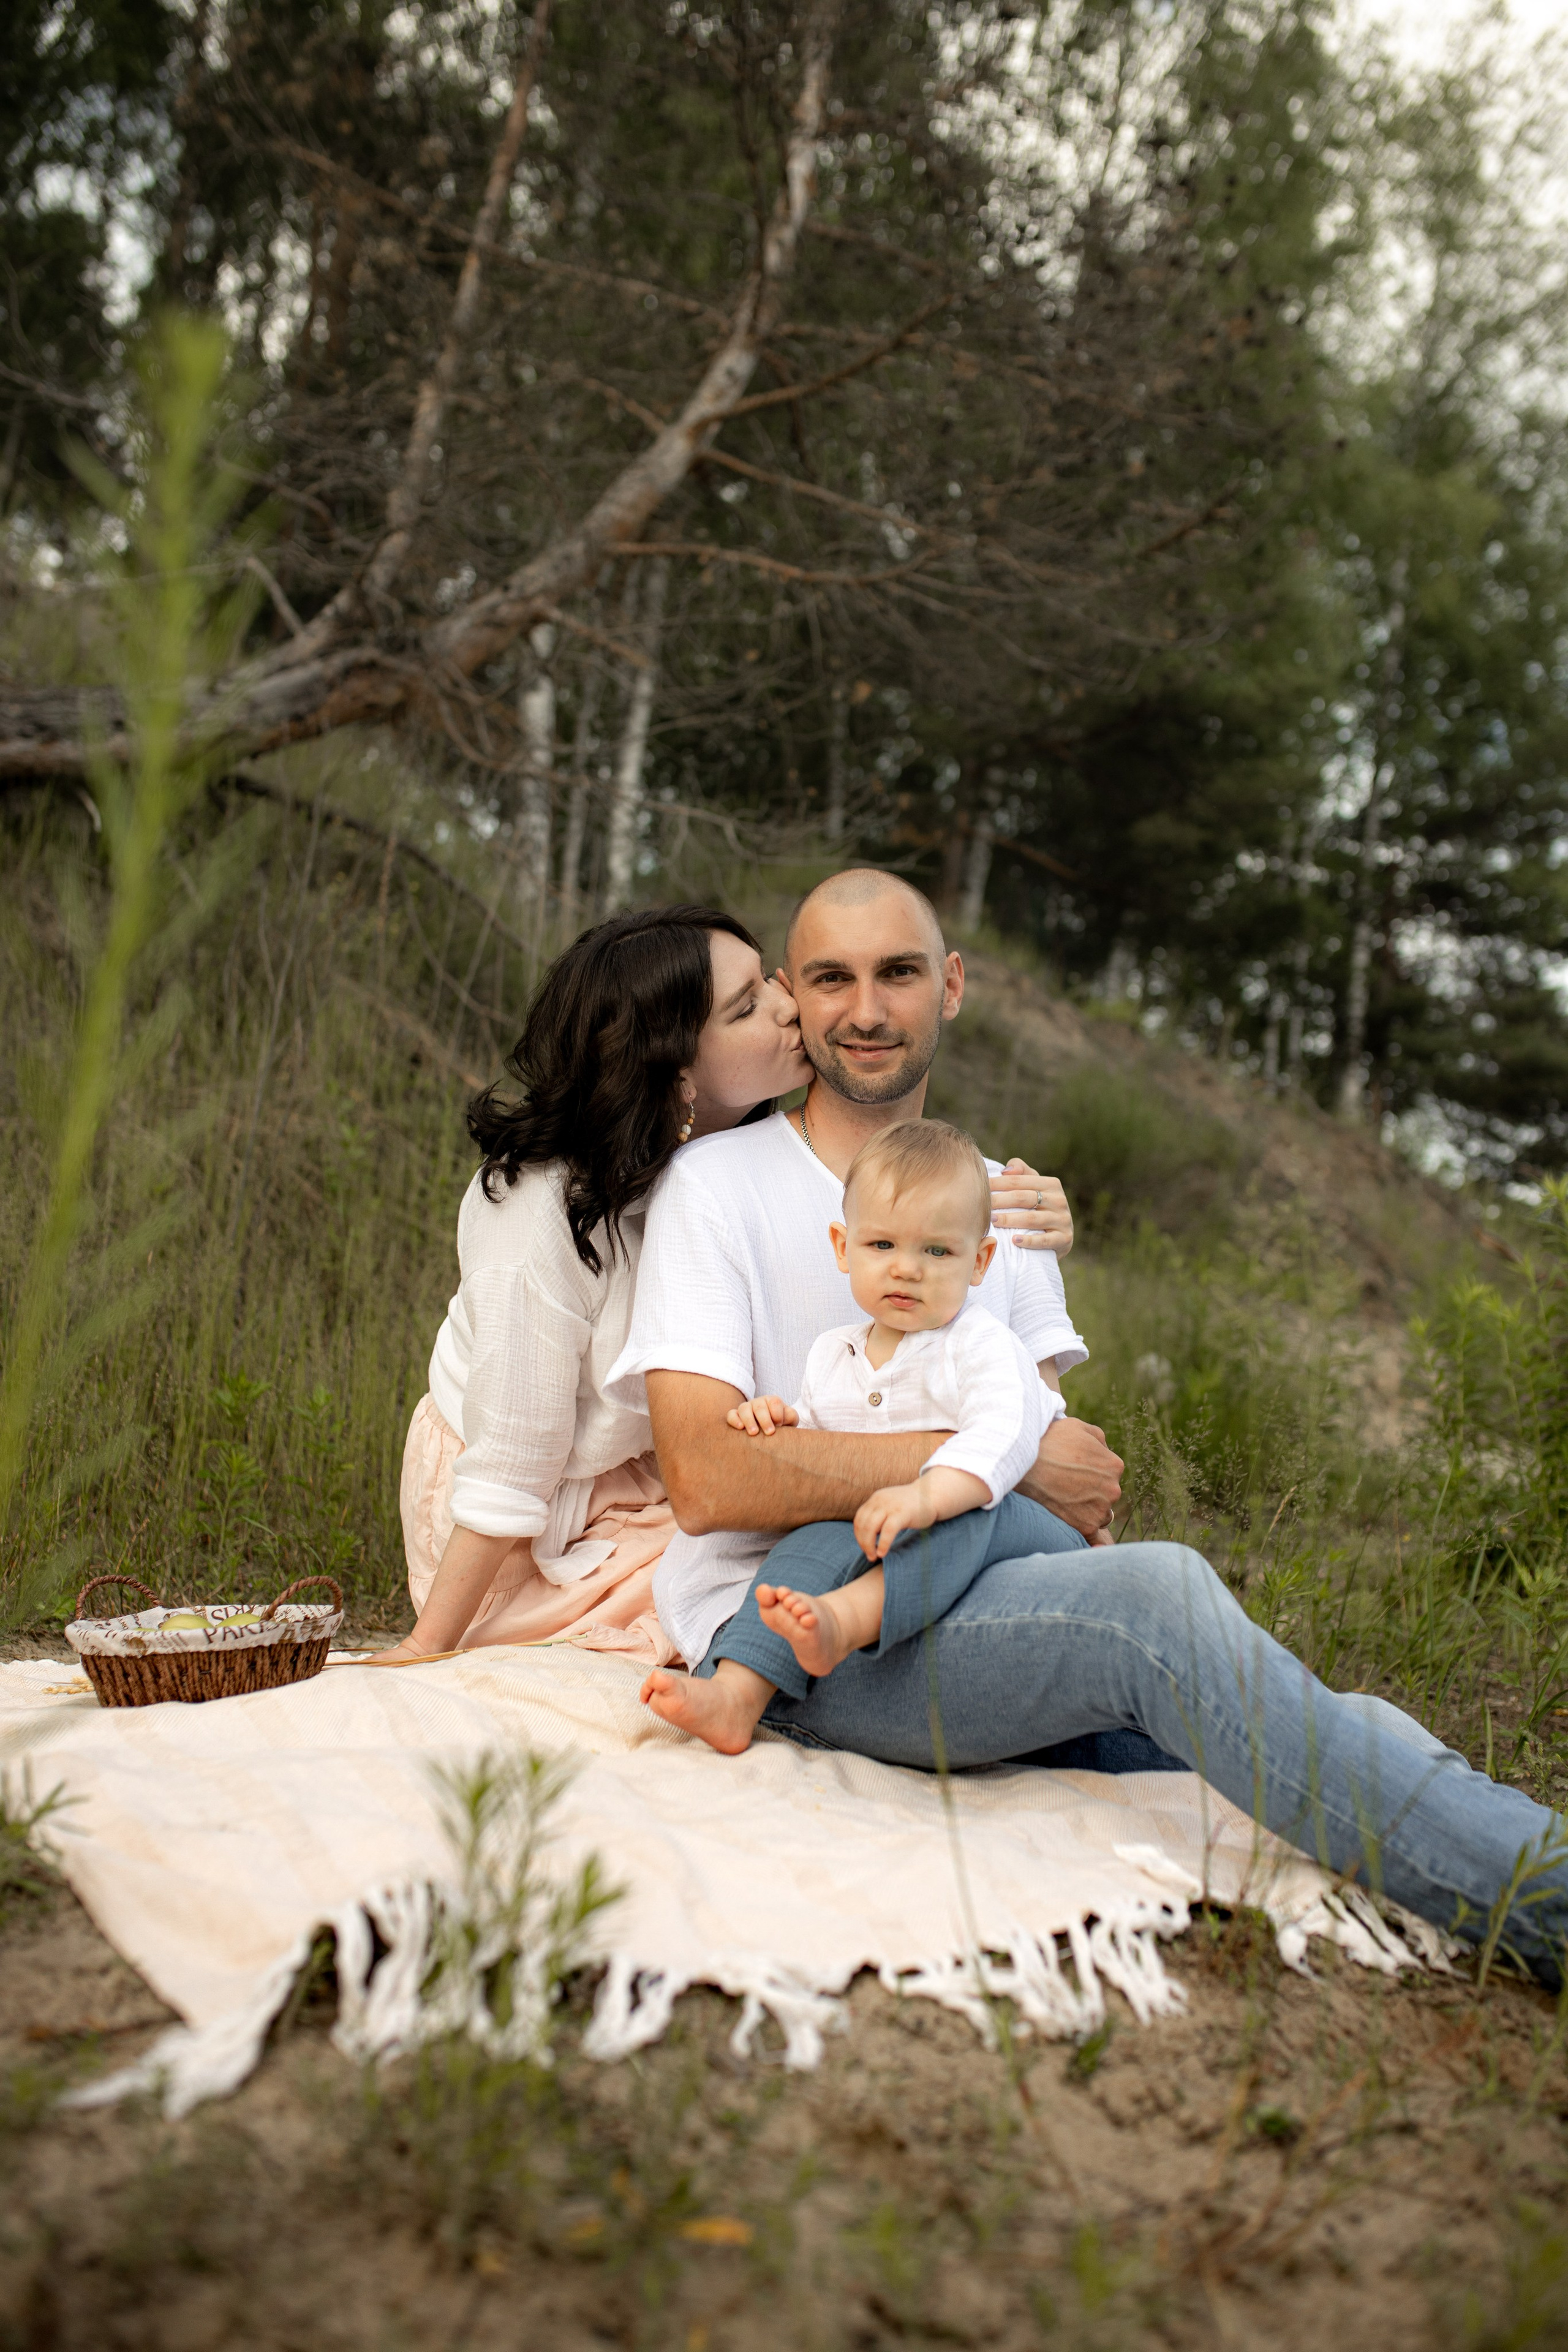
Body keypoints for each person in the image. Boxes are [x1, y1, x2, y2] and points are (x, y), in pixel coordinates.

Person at [611, 868, 1568, 1983]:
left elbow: (1073, 1478)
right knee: (1154, 1611)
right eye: (832, 978)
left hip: (978, 1590)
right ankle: (1548, 1907)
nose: (866, 1010)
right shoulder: (717, 1188)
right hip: (801, 1633)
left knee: (1329, 1721)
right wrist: (980, 1466)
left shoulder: (995, 1207)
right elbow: (708, 1478)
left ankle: (1520, 1871)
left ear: (953, 986)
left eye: (899, 973)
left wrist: (1017, 1476)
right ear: (794, 993)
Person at [374, 905, 810, 1667]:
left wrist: (1013, 1203)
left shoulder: (738, 1163)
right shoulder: (539, 1208)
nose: (789, 1004)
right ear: (677, 1073)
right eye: (747, 1007)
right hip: (522, 1523)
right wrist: (426, 1645)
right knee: (783, 1597)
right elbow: (515, 1453)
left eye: (767, 977)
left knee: (837, 1553)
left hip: (645, 1479)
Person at [686, 1117, 1076, 1753]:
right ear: (844, 1248)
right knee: (809, 1542)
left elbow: (1006, 1433)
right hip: (912, 1540)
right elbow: (823, 1436)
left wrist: (927, 1494)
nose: (907, 1270)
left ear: (979, 1262)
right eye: (882, 1246)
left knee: (962, 1514)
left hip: (1018, 1533)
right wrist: (779, 1422)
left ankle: (845, 1619)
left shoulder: (981, 1345)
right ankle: (736, 1693)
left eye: (936, 1251)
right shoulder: (833, 1355)